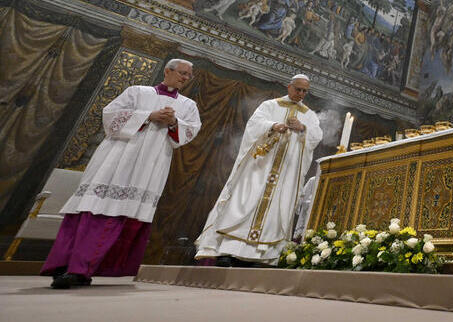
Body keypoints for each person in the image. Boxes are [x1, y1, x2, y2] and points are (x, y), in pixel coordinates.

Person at [41, 59, 201, 288]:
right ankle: (68, 266)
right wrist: (148, 116)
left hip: (150, 165)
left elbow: (190, 131)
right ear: (168, 70)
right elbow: (110, 117)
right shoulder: (137, 91)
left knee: (124, 214)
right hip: (115, 159)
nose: (185, 78)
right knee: (94, 208)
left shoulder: (188, 105)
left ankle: (83, 270)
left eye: (188, 75)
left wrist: (174, 122)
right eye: (182, 73)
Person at [195, 75, 323, 266]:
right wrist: (273, 126)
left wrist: (303, 128)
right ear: (289, 87)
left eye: (305, 91)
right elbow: (254, 125)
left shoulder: (309, 115)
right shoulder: (270, 105)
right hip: (260, 167)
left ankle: (260, 256)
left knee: (275, 208)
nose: (301, 94)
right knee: (245, 201)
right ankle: (228, 250)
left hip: (285, 172)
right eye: (298, 89)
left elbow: (316, 136)